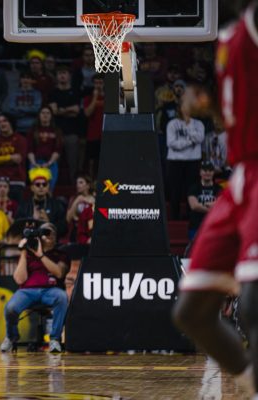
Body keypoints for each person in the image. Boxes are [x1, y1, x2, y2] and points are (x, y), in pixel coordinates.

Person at [172, 1, 258, 397]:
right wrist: (209, 107)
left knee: (253, 305)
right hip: (242, 176)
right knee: (192, 312)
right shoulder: (228, 35)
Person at [0, 222, 70, 353]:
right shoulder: (28, 253)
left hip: (51, 290)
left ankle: (54, 339)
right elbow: (19, 279)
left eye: (49, 233)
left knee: (62, 297)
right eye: (43, 233)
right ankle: (11, 337)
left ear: (55, 237)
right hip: (27, 291)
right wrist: (23, 252)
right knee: (10, 307)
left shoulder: (61, 254)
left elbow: (59, 272)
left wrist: (41, 255)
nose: (46, 236)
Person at [166, 103, 205, 220]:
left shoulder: (198, 124)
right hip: (175, 161)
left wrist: (184, 141)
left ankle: (190, 215)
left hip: (193, 161)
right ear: (179, 110)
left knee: (191, 188)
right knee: (175, 189)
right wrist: (190, 141)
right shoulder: (172, 124)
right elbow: (171, 143)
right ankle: (174, 215)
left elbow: (200, 138)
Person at [16, 168, 68, 238]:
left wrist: (48, 222)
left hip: (51, 242)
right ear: (32, 187)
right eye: (37, 184)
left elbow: (64, 229)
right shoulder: (24, 206)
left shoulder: (57, 205)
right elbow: (17, 227)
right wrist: (32, 220)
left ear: (48, 187)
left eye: (44, 184)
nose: (41, 187)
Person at [187, 161, 222, 240]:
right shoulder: (194, 188)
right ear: (200, 172)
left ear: (213, 173)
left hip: (214, 226)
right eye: (205, 170)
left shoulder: (219, 189)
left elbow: (220, 205)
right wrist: (211, 206)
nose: (207, 173)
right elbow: (194, 206)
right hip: (196, 226)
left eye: (210, 170)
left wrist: (201, 204)